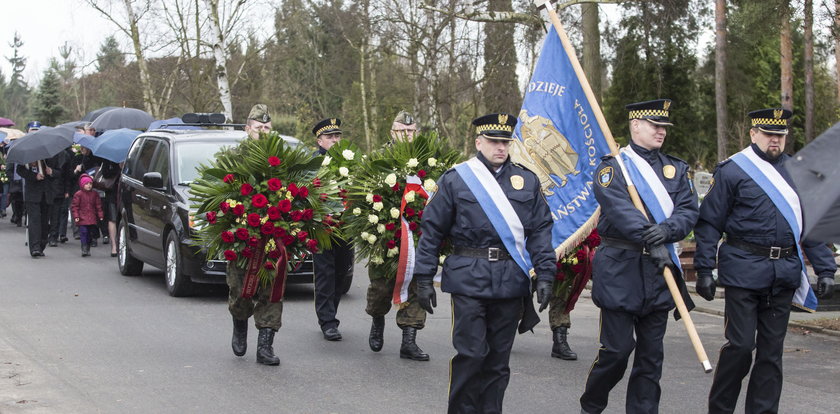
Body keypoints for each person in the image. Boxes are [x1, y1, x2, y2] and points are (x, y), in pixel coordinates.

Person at [694, 108, 837, 414]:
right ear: (753, 134)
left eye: (780, 135)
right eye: (769, 134)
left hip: (783, 274)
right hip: (743, 271)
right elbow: (709, 223)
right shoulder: (732, 170)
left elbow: (809, 225)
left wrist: (825, 268)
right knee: (742, 347)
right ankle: (721, 409)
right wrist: (705, 268)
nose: (775, 140)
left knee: (771, 355)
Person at [412, 113, 556, 413]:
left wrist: (545, 273)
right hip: (469, 277)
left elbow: (541, 230)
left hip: (509, 279)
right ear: (479, 142)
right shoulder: (457, 178)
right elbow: (432, 231)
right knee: (471, 355)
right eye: (493, 142)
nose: (500, 147)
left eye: (505, 142)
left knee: (498, 361)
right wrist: (423, 278)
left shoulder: (526, 180)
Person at [579, 99, 698, 414]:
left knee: (650, 358)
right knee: (617, 352)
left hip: (659, 272)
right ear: (635, 125)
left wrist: (667, 231)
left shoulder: (676, 169)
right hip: (621, 268)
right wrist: (649, 234)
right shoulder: (613, 167)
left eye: (664, 127)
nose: (661, 132)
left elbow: (688, 209)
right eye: (654, 125)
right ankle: (591, 404)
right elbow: (618, 208)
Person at [365, 111, 428, 361]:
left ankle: (409, 340)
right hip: (385, 235)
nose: (406, 135)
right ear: (392, 132)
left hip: (417, 234)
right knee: (380, 286)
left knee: (416, 285)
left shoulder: (427, 158)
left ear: (417, 133)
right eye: (402, 130)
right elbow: (364, 194)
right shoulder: (378, 158)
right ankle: (377, 319)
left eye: (411, 131)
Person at [227, 104, 283, 365]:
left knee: (272, 291)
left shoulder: (282, 160)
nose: (263, 131)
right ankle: (240, 323)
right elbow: (223, 195)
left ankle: (265, 346)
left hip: (274, 237)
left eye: (267, 128)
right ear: (247, 129)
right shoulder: (234, 156)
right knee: (240, 291)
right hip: (244, 238)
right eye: (258, 127)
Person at [311, 117, 355, 341]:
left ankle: (332, 313)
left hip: (346, 227)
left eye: (338, 136)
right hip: (323, 228)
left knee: (341, 271)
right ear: (319, 141)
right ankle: (327, 320)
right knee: (325, 274)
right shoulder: (313, 165)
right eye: (330, 137)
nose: (335, 140)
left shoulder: (351, 162)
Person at [16, 156, 61, 257]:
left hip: (47, 194)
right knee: (34, 221)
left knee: (44, 222)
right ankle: (35, 247)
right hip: (32, 194)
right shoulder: (27, 156)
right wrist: (34, 176)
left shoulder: (51, 156)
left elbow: (59, 172)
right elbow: (19, 170)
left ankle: (41, 245)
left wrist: (52, 172)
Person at [71, 174, 103, 257]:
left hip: (92, 218)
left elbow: (98, 206)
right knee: (84, 232)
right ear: (82, 184)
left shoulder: (94, 194)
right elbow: (75, 207)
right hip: (82, 218)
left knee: (90, 233)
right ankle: (84, 248)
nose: (89, 186)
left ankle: (87, 246)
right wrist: (76, 216)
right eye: (86, 184)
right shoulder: (78, 194)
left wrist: (100, 215)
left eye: (90, 184)